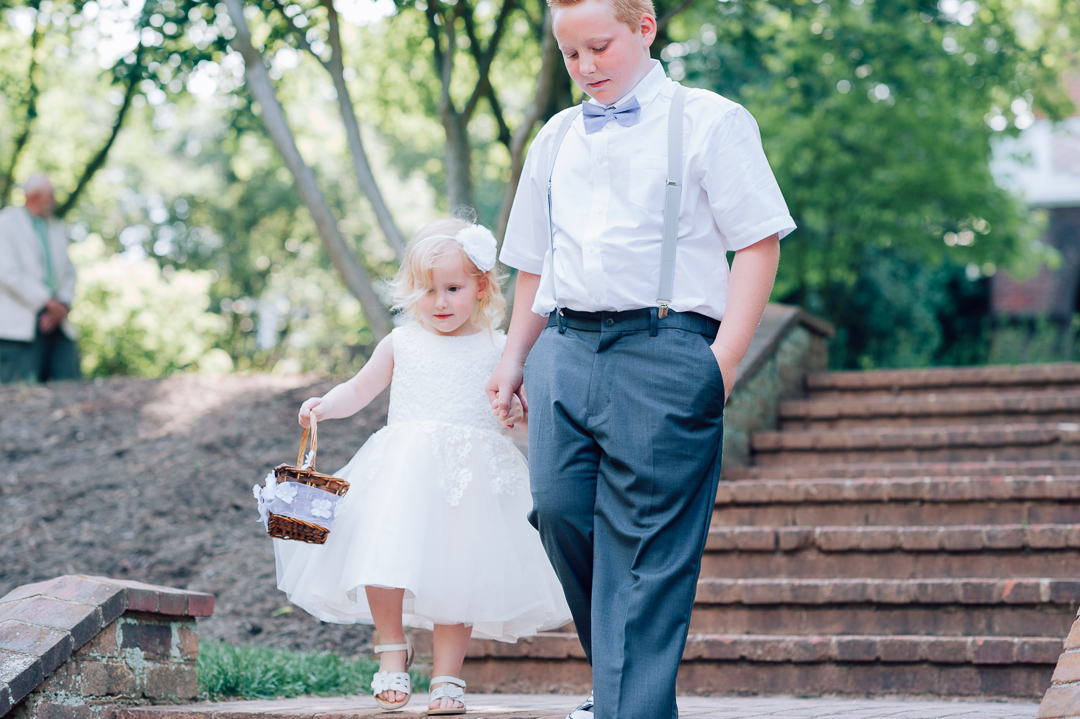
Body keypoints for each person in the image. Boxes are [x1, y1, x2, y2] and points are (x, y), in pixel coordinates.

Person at [485, 0, 796, 715]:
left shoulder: (712, 121)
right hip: (562, 348)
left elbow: (757, 240)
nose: (586, 67)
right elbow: (534, 261)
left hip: (666, 349)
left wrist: (723, 360)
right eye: (571, 55)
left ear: (645, 28)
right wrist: (512, 358)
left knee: (648, 548)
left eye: (600, 47)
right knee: (561, 512)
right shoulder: (556, 136)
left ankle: (628, 703)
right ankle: (625, 686)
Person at [273, 217, 571, 715]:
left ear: (482, 286)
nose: (439, 302)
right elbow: (360, 389)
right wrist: (326, 403)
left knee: (462, 570)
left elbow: (521, 418)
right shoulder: (401, 342)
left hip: (470, 482)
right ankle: (391, 647)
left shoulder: (500, 351)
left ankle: (447, 675)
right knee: (380, 555)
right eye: (427, 290)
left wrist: (516, 411)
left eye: (453, 288)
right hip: (401, 473)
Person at [0, 175, 81, 384]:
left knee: (69, 384)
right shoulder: (6, 223)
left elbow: (69, 273)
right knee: (18, 393)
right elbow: (8, 273)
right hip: (19, 322)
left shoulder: (56, 228)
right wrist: (47, 301)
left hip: (57, 320)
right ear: (34, 197)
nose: (54, 200)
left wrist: (61, 305)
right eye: (50, 195)